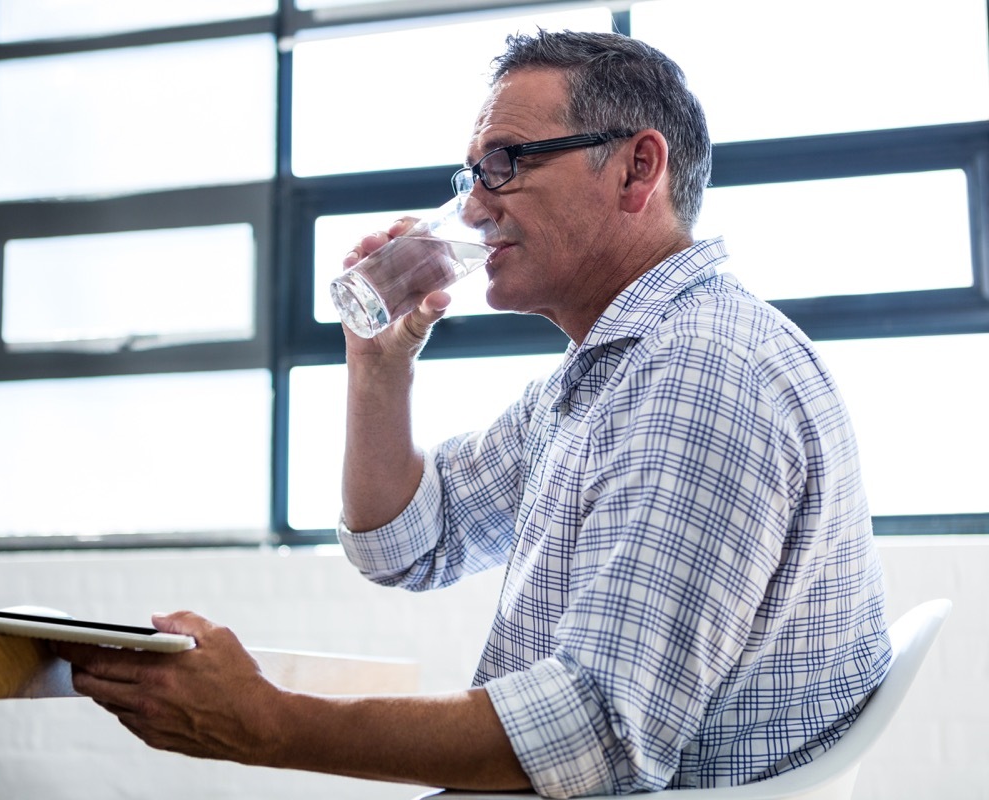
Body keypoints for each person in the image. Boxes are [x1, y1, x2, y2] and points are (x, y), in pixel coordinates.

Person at [53, 29, 890, 797]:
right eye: (472, 174)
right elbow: (404, 543)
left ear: (638, 170)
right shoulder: (603, 376)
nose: (476, 205)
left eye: (507, 161)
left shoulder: (703, 372)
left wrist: (267, 725)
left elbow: (594, 733)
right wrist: (377, 367)